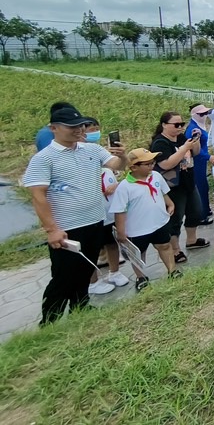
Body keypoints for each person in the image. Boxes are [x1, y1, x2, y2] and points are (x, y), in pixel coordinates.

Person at [23, 106, 128, 325]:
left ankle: (80, 307)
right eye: (72, 127)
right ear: (54, 128)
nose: (79, 130)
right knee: (63, 277)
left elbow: (116, 165)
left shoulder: (92, 150)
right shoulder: (44, 159)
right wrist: (52, 229)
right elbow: (38, 196)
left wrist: (123, 156)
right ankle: (50, 321)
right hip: (67, 228)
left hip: (95, 220)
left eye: (80, 125)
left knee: (87, 268)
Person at [112, 148, 180, 291]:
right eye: (147, 164)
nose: (152, 166)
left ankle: (172, 270)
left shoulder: (155, 176)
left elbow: (162, 192)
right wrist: (121, 232)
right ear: (133, 167)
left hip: (159, 222)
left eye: (152, 162)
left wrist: (170, 203)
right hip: (137, 228)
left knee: (165, 246)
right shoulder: (125, 187)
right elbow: (120, 211)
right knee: (138, 253)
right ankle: (141, 277)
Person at [151, 111, 208, 264]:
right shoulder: (160, 143)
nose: (180, 127)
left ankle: (191, 239)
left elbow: (194, 153)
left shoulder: (181, 138)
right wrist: (184, 148)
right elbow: (166, 164)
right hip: (172, 186)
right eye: (176, 125)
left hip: (188, 181)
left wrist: (195, 143)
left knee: (196, 211)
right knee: (176, 217)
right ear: (164, 125)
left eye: (181, 124)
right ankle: (175, 250)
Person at [85, 119, 127, 294]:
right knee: (91, 248)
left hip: (110, 210)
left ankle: (114, 272)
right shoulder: (79, 157)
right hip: (91, 212)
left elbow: (120, 169)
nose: (94, 132)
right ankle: (93, 281)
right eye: (90, 130)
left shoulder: (101, 152)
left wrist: (122, 156)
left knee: (112, 242)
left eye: (97, 129)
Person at [185, 104, 213, 225]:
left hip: (202, 161)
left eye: (206, 113)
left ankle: (205, 210)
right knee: (200, 187)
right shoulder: (193, 129)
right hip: (196, 161)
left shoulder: (199, 126)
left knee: (204, 186)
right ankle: (201, 215)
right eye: (201, 114)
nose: (204, 116)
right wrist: (208, 156)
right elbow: (192, 148)